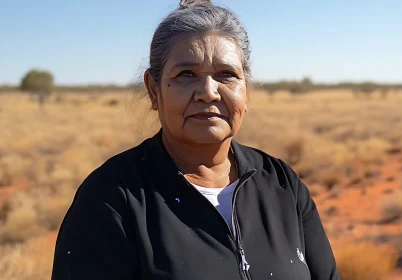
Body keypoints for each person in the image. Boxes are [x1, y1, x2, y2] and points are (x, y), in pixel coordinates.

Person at [51, 0, 340, 279]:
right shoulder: (112, 198)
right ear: (154, 90)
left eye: (226, 75)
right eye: (186, 74)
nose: (209, 92)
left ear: (246, 91)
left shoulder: (281, 184)